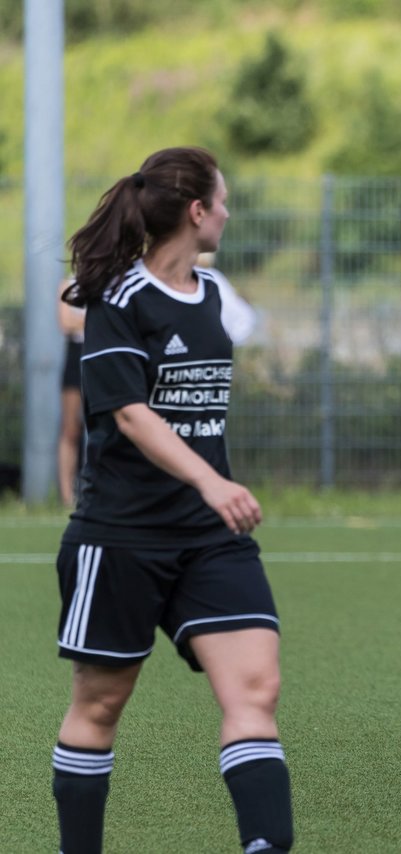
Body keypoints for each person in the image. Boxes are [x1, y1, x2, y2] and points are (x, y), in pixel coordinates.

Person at [52, 147, 293, 854]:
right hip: (119, 535)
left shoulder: (215, 293)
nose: (229, 211)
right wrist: (212, 479)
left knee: (257, 689)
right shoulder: (118, 299)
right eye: (222, 200)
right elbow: (130, 413)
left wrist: (210, 494)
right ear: (197, 211)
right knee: (99, 706)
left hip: (210, 538)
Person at [57, 278, 87, 507]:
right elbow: (66, 322)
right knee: (70, 429)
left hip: (103, 356)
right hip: (76, 356)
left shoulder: (113, 281)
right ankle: (67, 497)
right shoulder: (69, 284)